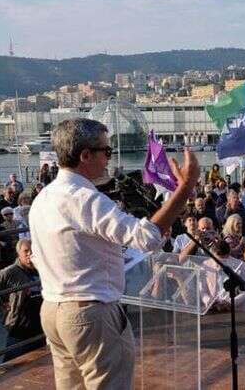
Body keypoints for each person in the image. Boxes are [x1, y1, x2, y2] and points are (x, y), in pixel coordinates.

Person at [30, 118, 199, 389]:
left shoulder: (43, 198)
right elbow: (146, 238)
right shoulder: (85, 199)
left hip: (53, 310)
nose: (109, 159)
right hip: (90, 314)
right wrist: (185, 188)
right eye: (106, 152)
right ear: (85, 155)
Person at [0, 239, 44, 361]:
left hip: (42, 325)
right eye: (26, 251)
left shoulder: (43, 268)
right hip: (20, 328)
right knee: (12, 365)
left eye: (33, 251)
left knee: (41, 362)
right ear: (18, 254)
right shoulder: (10, 271)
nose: (29, 254)